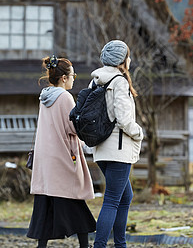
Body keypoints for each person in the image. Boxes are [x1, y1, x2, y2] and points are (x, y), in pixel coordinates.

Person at [27, 55, 96, 248]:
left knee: (46, 205)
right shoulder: (65, 97)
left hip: (45, 159)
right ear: (64, 78)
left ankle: (42, 246)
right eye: (73, 75)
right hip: (62, 156)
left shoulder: (45, 97)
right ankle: (84, 246)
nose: (74, 78)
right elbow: (72, 127)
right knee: (74, 200)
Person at [90, 40, 144, 248]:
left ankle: (120, 244)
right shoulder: (119, 81)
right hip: (118, 149)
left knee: (125, 196)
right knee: (112, 200)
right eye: (128, 56)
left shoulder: (95, 81)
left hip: (102, 149)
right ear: (122, 60)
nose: (129, 60)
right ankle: (101, 245)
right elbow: (123, 119)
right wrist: (138, 132)